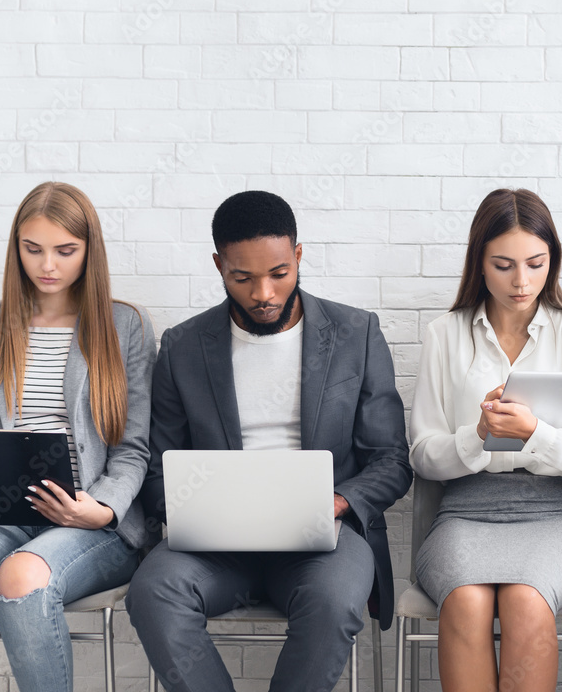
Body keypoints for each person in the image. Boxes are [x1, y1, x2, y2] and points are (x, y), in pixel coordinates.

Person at [127, 190, 411, 692]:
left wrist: (339, 502)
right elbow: (154, 467)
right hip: (216, 547)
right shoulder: (183, 346)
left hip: (321, 541)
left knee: (333, 600)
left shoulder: (355, 333)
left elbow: (390, 459)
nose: (264, 293)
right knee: (153, 592)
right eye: (243, 277)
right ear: (218, 265)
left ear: (298, 256)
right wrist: (196, 509)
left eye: (279, 273)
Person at [0, 181, 156, 692]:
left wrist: (99, 509)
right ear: (16, 250)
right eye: (32, 249)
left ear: (88, 251)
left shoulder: (127, 326)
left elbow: (134, 449)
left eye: (65, 251)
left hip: (89, 523)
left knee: (23, 578)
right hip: (0, 513)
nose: (47, 265)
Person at [409, 188, 562, 692]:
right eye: (503, 265)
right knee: (465, 600)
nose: (522, 281)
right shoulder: (446, 333)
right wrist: (478, 436)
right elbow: (422, 455)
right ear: (479, 264)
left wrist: (537, 435)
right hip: (465, 511)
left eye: (536, 263)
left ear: (554, 260)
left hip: (559, 516)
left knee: (528, 599)